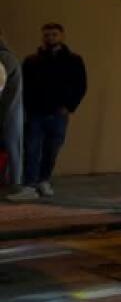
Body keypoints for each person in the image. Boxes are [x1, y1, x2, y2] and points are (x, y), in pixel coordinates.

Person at [8, 23, 87, 201]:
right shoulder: (32, 61)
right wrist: (25, 109)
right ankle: (29, 185)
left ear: (62, 36)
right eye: (47, 35)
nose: (50, 38)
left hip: (58, 113)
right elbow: (23, 87)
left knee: (52, 148)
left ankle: (44, 180)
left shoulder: (73, 60)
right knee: (32, 149)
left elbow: (80, 85)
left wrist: (69, 106)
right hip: (36, 113)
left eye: (54, 34)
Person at [0, 28, 23, 190]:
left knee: (9, 147)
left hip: (6, 111)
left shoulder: (4, 57)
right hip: (10, 111)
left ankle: (13, 184)